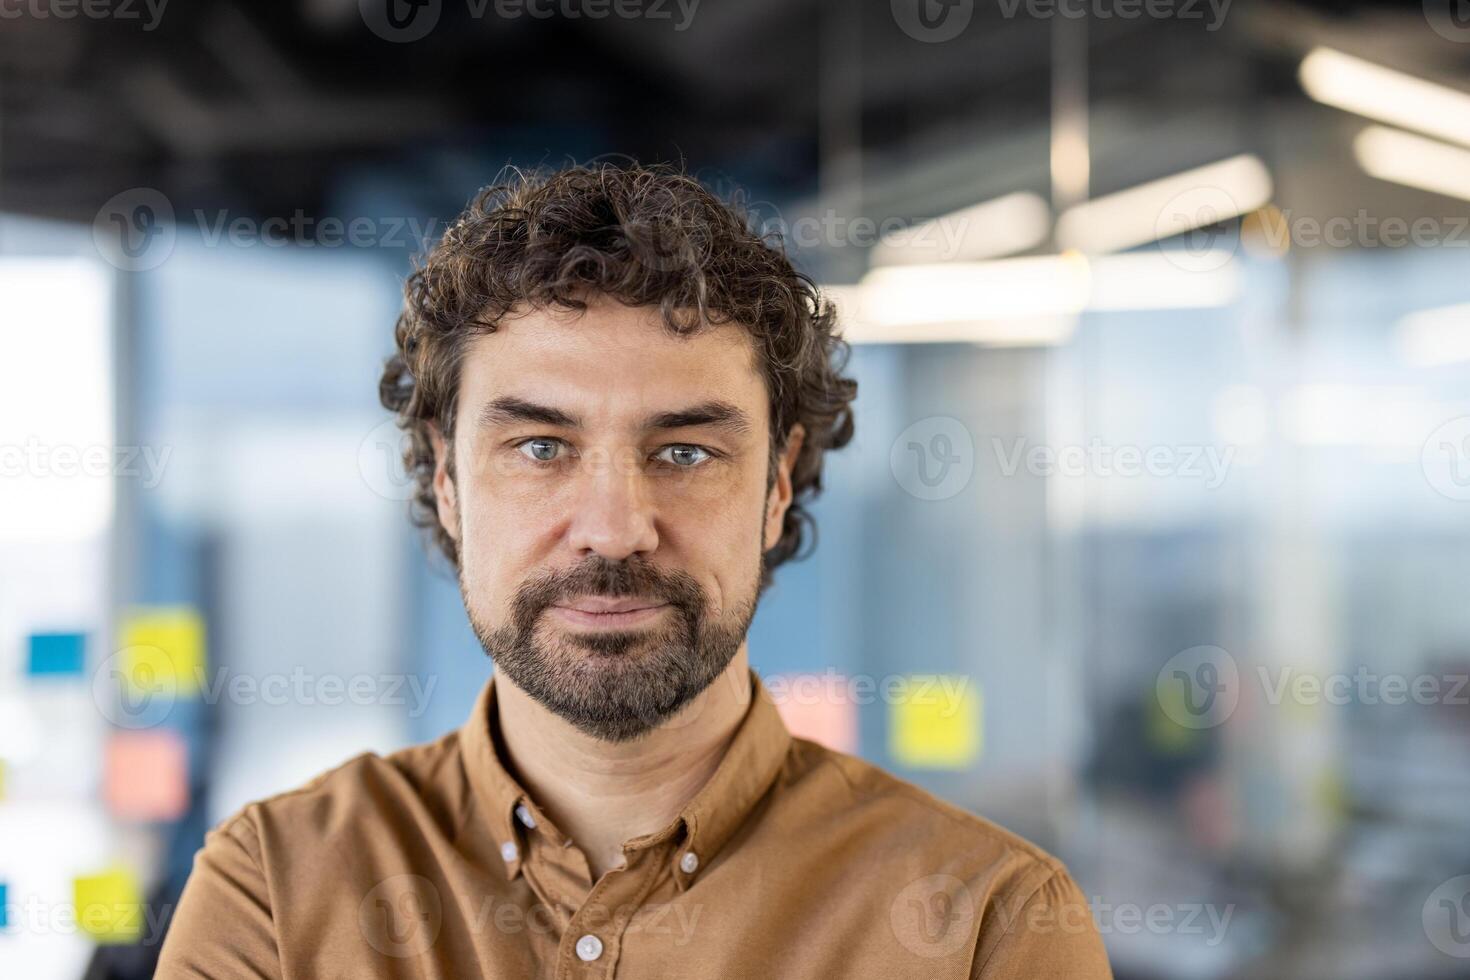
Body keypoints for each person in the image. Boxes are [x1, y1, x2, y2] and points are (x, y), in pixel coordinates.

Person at [156, 162, 1112, 978]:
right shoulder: (276, 896)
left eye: (685, 452)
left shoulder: (989, 925)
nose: (614, 532)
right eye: (540, 447)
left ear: (778, 486)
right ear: (448, 485)